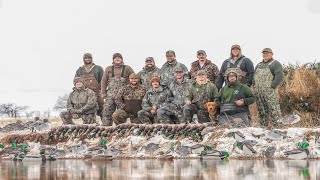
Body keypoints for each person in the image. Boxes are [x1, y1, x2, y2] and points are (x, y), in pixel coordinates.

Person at [100, 53, 135, 126]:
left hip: (123, 96)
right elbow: (104, 80)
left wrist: (131, 92)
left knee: (121, 113)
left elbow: (134, 78)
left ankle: (120, 128)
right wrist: (103, 92)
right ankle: (107, 128)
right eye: (115, 58)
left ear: (122, 59)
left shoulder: (127, 68)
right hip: (110, 95)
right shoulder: (108, 68)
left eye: (119, 58)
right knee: (106, 112)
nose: (117, 59)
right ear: (113, 60)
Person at [253, 48, 284, 127]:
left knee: (274, 110)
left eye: (267, 53)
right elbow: (254, 76)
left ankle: (278, 127)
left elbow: (279, 76)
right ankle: (263, 127)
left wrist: (272, 87)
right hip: (259, 92)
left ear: (271, 54)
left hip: (270, 92)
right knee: (262, 110)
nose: (265, 54)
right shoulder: (259, 64)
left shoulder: (275, 64)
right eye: (264, 53)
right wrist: (254, 86)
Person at [74, 53, 104, 118]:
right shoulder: (80, 70)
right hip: (84, 94)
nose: (87, 59)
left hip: (96, 92)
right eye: (86, 58)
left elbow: (103, 80)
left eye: (89, 58)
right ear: (83, 59)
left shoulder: (98, 68)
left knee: (102, 109)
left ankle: (106, 124)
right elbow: (76, 81)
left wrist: (100, 89)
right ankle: (90, 124)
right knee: (88, 110)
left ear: (91, 59)